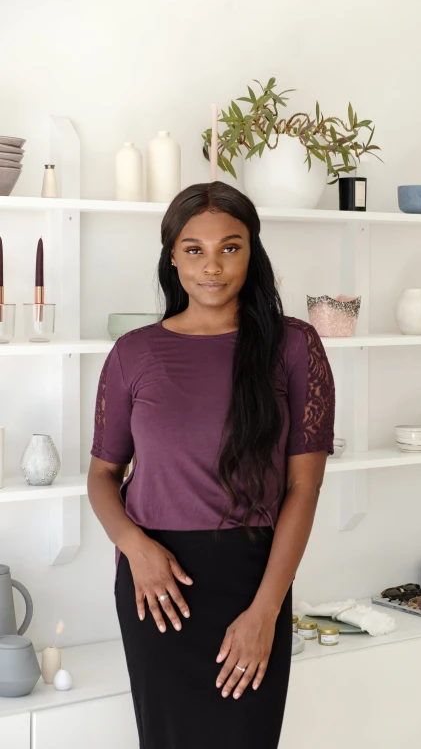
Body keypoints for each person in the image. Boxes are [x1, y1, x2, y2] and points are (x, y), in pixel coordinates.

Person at [87, 181, 335, 748]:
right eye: (194, 249)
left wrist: (265, 612)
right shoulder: (133, 352)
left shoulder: (295, 346)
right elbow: (102, 477)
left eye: (231, 246)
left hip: (252, 579)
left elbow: (305, 488)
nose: (213, 266)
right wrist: (134, 546)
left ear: (254, 251)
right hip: (157, 583)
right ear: (172, 255)